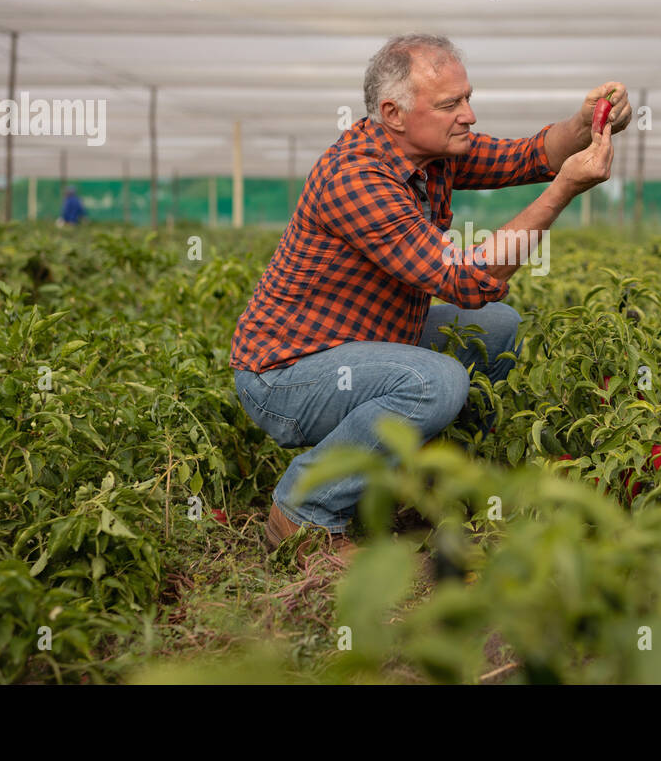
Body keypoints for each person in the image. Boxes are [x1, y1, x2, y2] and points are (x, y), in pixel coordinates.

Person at [230, 33, 630, 560]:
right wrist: (562, 192)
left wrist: (585, 126)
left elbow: (530, 156)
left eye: (467, 98)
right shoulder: (358, 177)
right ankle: (303, 510)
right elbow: (465, 281)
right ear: (394, 113)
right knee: (436, 380)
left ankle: (428, 477)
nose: (468, 114)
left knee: (497, 326)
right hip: (286, 376)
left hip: (361, 340)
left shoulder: (432, 152)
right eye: (450, 104)